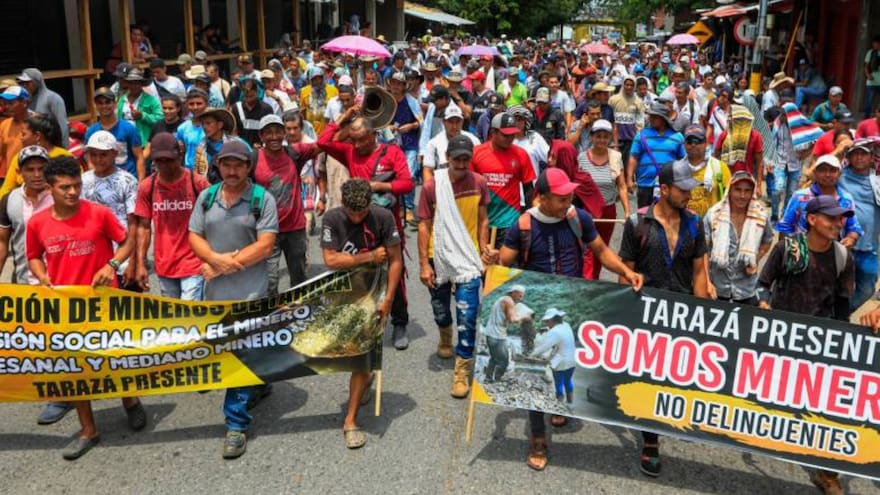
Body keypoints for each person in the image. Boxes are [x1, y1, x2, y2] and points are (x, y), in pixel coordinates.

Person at [494, 167, 642, 471]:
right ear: (542, 198)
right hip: (535, 311)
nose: (568, 201)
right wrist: (492, 258)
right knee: (535, 369)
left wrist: (626, 272)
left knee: (565, 361)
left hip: (570, 303)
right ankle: (538, 437)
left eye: (569, 195)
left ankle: (558, 403)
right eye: (561, 198)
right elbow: (504, 264)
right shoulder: (522, 226)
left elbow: (600, 251)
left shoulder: (578, 218)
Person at [27, 156, 145, 459]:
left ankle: (130, 402)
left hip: (105, 303)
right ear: (50, 189)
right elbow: (33, 256)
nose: (73, 192)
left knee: (116, 358)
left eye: (77, 185)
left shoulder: (99, 213)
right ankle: (88, 429)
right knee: (76, 369)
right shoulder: (37, 223)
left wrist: (113, 265)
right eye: (65, 187)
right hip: (67, 309)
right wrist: (41, 276)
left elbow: (126, 242)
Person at [618, 160, 710, 477]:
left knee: (674, 376)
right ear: (665, 189)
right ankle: (651, 441)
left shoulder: (696, 225)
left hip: (682, 315)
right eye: (683, 189)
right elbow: (624, 272)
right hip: (646, 313)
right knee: (649, 376)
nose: (688, 195)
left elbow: (699, 272)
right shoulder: (636, 224)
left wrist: (707, 318)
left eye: (690, 189)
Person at [757, 195, 854, 495]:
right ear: (812, 220)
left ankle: (828, 472)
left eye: (840, 219)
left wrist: (847, 342)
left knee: (830, 408)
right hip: (781, 337)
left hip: (820, 344)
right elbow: (763, 283)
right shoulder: (787, 248)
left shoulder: (843, 258)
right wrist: (762, 302)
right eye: (831, 218)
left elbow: (842, 304)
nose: (838, 224)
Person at [188, 140, 278, 459]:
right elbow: (194, 235)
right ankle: (260, 383)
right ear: (219, 166)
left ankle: (236, 425)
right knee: (241, 351)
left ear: (248, 167)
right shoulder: (207, 196)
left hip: (251, 291)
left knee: (237, 353)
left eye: (238, 164)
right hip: (215, 293)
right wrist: (213, 259)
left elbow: (266, 245)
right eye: (226, 164)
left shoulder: (261, 199)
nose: (232, 170)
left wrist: (225, 264)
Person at [318, 107, 414, 349]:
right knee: (360, 271)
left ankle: (399, 321)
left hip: (386, 220)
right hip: (357, 222)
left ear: (373, 135)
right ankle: (363, 320)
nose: (357, 144)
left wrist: (378, 187)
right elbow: (323, 141)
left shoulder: (392, 152)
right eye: (353, 139)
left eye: (361, 139)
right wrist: (345, 115)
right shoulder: (349, 152)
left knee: (395, 270)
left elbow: (407, 183)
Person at [321, 178, 402, 448]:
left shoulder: (383, 216)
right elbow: (331, 259)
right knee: (342, 350)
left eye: (362, 212)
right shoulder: (332, 218)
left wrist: (388, 299)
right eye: (351, 212)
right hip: (343, 296)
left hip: (374, 294)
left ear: (370, 203)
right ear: (342, 204)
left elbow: (396, 261)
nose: (356, 217)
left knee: (360, 356)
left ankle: (350, 420)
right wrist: (366, 257)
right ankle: (366, 377)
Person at [417, 134, 490, 397]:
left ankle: (462, 371)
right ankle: (444, 334)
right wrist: (425, 264)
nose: (461, 163)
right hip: (439, 257)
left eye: (465, 159)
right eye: (456, 158)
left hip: (468, 259)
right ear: (447, 158)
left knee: (468, 317)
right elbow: (423, 225)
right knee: (440, 310)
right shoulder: (431, 186)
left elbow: (484, 220)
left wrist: (483, 251)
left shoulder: (479, 183)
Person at [133, 132, 210, 298]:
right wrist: (140, 263)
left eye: (168, 160)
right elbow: (144, 228)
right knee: (173, 317)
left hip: (194, 263)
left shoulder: (198, 183)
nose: (164, 165)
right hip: (164, 264)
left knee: (190, 315)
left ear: (179, 156)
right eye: (159, 161)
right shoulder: (147, 187)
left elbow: (215, 220)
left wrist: (212, 259)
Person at [254, 114, 321, 294]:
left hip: (295, 228)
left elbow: (323, 144)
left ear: (284, 134)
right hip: (266, 230)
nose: (274, 136)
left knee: (298, 277)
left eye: (278, 132)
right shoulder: (252, 159)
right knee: (270, 280)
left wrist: (344, 118)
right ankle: (273, 317)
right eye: (269, 133)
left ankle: (299, 313)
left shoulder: (295, 153)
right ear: (261, 136)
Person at [80, 130, 139, 291]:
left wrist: (133, 262)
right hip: (92, 257)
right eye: (94, 154)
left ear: (114, 153)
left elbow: (134, 224)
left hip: (121, 257)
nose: (98, 159)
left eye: (103, 155)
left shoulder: (127, 181)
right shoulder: (83, 181)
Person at [569, 120, 629, 278]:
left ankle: (592, 280)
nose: (601, 140)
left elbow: (622, 186)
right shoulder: (581, 158)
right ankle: (585, 281)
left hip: (607, 212)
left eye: (605, 136)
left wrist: (628, 212)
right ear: (592, 137)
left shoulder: (616, 158)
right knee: (586, 249)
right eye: (598, 136)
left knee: (600, 249)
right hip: (585, 211)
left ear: (609, 138)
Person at [704, 171, 772, 304]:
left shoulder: (761, 216)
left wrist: (755, 259)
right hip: (718, 288)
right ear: (730, 190)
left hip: (746, 290)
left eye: (747, 191)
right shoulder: (713, 215)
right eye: (738, 190)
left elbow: (768, 241)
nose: (742, 195)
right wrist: (706, 281)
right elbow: (703, 251)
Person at [471, 113, 536, 247]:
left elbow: (529, 189)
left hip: (509, 221)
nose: (510, 139)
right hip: (482, 221)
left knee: (507, 266)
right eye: (505, 135)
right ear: (493, 132)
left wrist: (529, 218)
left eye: (512, 135)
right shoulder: (476, 153)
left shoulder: (521, 155)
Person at [776, 154, 862, 246]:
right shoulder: (800, 196)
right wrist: (787, 251)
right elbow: (785, 226)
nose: (828, 174)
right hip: (802, 251)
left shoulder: (846, 199)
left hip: (832, 252)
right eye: (823, 170)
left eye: (832, 170)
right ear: (815, 173)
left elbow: (854, 227)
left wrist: (850, 239)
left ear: (839, 174)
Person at [838, 140, 880, 310]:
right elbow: (813, 175)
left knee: (867, 289)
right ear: (849, 157)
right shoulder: (839, 177)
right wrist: (839, 149)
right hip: (842, 244)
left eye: (863, 154)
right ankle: (831, 317)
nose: (859, 157)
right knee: (836, 286)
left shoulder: (877, 183)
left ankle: (841, 314)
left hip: (869, 247)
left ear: (871, 158)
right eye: (855, 154)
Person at [627, 102, 686, 208]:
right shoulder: (641, 135)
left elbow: (683, 160)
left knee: (667, 216)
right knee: (644, 218)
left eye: (655, 116)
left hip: (667, 186)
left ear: (663, 119)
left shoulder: (677, 137)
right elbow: (633, 157)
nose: (651, 119)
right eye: (650, 116)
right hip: (645, 184)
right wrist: (629, 179)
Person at [0, 115, 73, 199]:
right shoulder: (19, 158)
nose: (21, 138)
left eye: (24, 134)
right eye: (30, 169)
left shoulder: (65, 158)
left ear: (37, 136)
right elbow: (6, 189)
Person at [85, 87, 144, 179]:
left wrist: (141, 183)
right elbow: (90, 159)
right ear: (95, 105)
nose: (104, 106)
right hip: (102, 179)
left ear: (115, 104)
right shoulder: (91, 131)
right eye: (100, 103)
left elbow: (139, 156)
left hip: (128, 178)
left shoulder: (129, 128)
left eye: (107, 102)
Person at [530, 308, 576, 426]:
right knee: (568, 381)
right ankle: (571, 404)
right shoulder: (566, 325)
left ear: (552, 320)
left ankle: (559, 411)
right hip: (572, 360)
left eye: (547, 321)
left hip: (560, 362)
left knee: (558, 385)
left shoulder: (554, 332)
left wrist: (531, 355)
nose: (546, 324)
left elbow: (544, 347)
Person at [676, 124, 730, 218]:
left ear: (706, 143)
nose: (693, 145)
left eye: (698, 141)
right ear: (684, 144)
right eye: (689, 141)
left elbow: (729, 199)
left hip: (713, 225)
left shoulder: (720, 168)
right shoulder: (676, 169)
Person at [482, 284, 531, 382]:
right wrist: (524, 317)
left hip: (491, 333)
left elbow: (507, 318)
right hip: (496, 335)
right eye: (520, 296)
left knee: (494, 358)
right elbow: (512, 319)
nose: (521, 299)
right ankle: (497, 379)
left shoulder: (503, 299)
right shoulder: (508, 301)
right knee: (504, 361)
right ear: (513, 293)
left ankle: (488, 379)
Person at [422, 104, 479, 181]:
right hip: (443, 185)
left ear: (462, 122)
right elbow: (428, 170)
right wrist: (430, 190)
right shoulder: (433, 143)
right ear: (444, 122)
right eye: (450, 122)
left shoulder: (473, 140)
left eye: (458, 122)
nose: (454, 126)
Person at [16, 68, 69, 147]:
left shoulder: (52, 98)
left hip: (51, 146)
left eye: (28, 83)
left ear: (37, 82)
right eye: (23, 83)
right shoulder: (27, 101)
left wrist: (63, 147)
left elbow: (62, 125)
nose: (25, 86)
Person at [116, 68, 163, 149]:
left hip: (143, 143)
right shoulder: (122, 99)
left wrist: (143, 116)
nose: (133, 86)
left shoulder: (151, 100)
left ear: (141, 84)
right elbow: (117, 118)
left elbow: (160, 119)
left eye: (137, 83)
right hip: (124, 142)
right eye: (131, 83)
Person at [608, 75, 645, 167]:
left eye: (631, 85)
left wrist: (638, 137)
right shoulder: (613, 99)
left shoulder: (638, 102)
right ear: (623, 85)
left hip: (631, 139)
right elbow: (609, 118)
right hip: (615, 139)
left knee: (628, 164)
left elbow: (640, 122)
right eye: (627, 84)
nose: (629, 87)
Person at [507, 105, 549, 178]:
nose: (517, 123)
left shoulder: (534, 137)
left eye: (520, 119)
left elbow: (549, 158)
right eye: (514, 120)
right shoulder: (505, 139)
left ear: (525, 121)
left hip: (531, 185)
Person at [231, 78, 274, 147]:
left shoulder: (266, 109)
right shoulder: (236, 108)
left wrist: (262, 144)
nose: (248, 98)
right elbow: (234, 131)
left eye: (251, 96)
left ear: (256, 92)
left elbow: (270, 131)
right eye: (246, 96)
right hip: (242, 148)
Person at [864, 35, 880, 118]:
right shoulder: (871, 52)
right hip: (872, 82)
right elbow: (866, 66)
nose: (875, 45)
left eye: (876, 43)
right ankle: (866, 118)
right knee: (868, 102)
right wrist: (868, 75)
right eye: (874, 43)